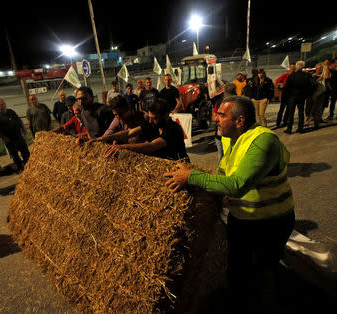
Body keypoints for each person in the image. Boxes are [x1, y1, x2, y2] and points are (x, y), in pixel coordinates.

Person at [164, 96, 295, 312]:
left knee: (264, 275)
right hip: (242, 220)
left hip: (270, 224)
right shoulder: (229, 136)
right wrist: (220, 194)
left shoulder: (263, 141)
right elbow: (225, 170)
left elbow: (237, 185)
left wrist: (192, 177)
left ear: (240, 120)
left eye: (222, 115)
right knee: (238, 270)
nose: (215, 118)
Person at [98, 98, 190, 161]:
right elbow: (129, 133)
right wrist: (104, 138)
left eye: (154, 118)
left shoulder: (173, 128)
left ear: (165, 115)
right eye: (150, 117)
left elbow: (152, 146)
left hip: (176, 162)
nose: (150, 120)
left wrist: (122, 147)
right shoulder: (153, 123)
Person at [0, 99, 30, 172]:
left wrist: (23, 128)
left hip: (18, 136)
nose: (4, 105)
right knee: (15, 155)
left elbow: (19, 120)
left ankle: (28, 165)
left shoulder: (10, 111)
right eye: (1, 104)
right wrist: (3, 137)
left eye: (4, 103)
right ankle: (21, 168)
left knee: (25, 152)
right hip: (9, 139)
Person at [283, 61, 316, 134]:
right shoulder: (307, 75)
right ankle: (300, 128)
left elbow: (286, 86)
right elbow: (313, 85)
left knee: (291, 113)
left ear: (296, 66)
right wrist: (308, 93)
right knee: (301, 112)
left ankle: (289, 129)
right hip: (302, 96)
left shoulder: (292, 75)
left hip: (292, 96)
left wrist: (287, 95)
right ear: (303, 66)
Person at [275, 63, 296, 128]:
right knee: (282, 109)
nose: (292, 68)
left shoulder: (295, 76)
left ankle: (285, 121)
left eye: (293, 67)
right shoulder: (286, 75)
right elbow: (276, 81)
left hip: (291, 94)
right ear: (289, 68)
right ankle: (278, 123)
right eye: (291, 67)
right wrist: (278, 88)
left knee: (288, 109)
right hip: (285, 94)